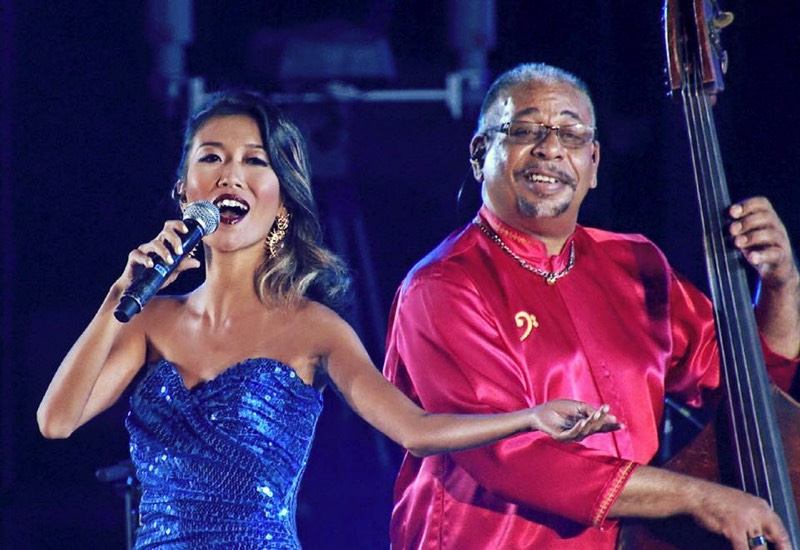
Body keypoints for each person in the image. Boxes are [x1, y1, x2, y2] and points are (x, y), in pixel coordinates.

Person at [36, 90, 622, 549]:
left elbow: (415, 429)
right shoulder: (147, 320)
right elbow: (56, 421)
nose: (229, 174)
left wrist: (530, 417)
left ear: (281, 197)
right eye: (210, 157)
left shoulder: (313, 328)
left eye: (253, 160)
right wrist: (121, 294)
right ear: (185, 187)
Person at [383, 62, 800, 550]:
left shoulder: (635, 263)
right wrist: (700, 498)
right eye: (525, 129)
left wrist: (780, 286)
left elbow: (751, 389)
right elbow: (508, 456)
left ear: (594, 162)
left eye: (572, 134)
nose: (551, 148)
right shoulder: (443, 286)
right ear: (480, 154)